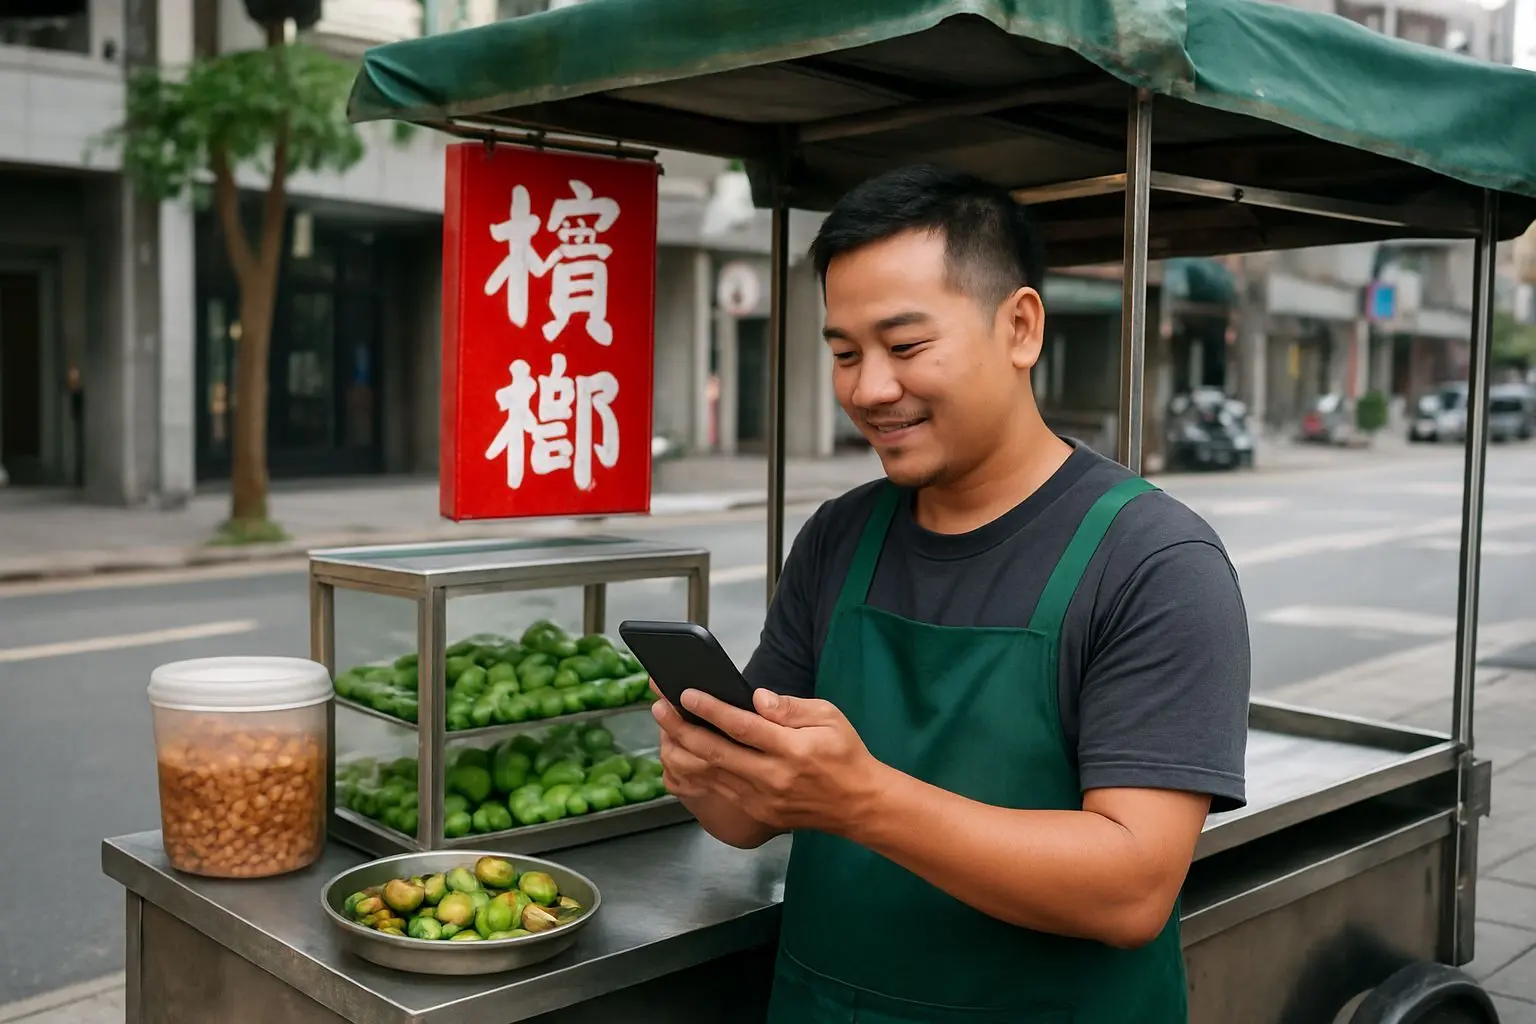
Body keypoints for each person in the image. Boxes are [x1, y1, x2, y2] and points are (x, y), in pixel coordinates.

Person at [650, 164, 1251, 1024]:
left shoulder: (1155, 561)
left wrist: (862, 800)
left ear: (1020, 327)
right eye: (846, 354)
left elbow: (1131, 889)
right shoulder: (838, 537)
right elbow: (749, 820)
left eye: (905, 347)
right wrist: (708, 769)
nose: (869, 390)